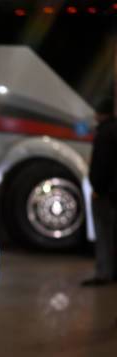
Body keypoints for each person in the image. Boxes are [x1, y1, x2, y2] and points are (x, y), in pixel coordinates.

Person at [82, 97, 117, 286]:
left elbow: (102, 166)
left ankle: (103, 273)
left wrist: (98, 189)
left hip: (105, 193)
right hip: (113, 192)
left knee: (103, 234)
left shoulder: (104, 133)